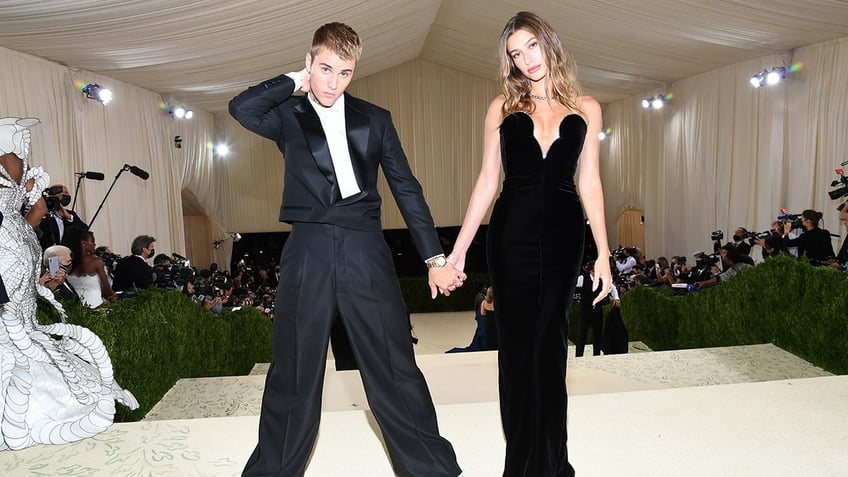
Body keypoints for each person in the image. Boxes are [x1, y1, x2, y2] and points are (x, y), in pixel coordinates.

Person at [229, 22, 464, 476]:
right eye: (325, 69)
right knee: (294, 370)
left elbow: (406, 188)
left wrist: (435, 257)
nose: (334, 82)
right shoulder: (287, 116)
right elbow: (241, 107)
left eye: (345, 73)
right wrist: (296, 82)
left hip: (365, 248)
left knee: (394, 365)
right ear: (309, 62)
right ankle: (274, 469)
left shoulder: (375, 118)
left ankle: (430, 467)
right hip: (308, 248)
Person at [446, 12, 612, 476]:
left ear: (550, 44)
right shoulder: (501, 107)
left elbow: (591, 184)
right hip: (511, 234)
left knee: (551, 344)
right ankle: (520, 463)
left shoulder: (587, 107)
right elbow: (486, 181)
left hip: (564, 236)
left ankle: (553, 463)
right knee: (517, 348)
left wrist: (603, 253)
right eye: (515, 54)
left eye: (531, 47)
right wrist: (459, 250)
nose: (526, 60)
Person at [0, 117, 138, 450]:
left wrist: (42, 284)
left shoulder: (15, 224)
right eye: (16, 161)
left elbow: (14, 277)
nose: (26, 171)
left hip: (25, 338)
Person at [574, 261, 621, 357]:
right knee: (582, 335)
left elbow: (612, 288)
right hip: (585, 311)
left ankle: (596, 355)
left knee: (597, 335)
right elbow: (572, 286)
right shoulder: (582, 278)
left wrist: (616, 298)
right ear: (591, 271)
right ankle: (579, 356)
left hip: (597, 310)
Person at [65, 229, 117, 308]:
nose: (94, 244)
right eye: (92, 241)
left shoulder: (68, 262)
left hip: (77, 307)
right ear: (83, 243)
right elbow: (106, 288)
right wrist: (114, 299)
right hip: (96, 305)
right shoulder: (96, 261)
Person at [36, 183, 88, 251]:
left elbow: (85, 230)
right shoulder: (43, 214)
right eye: (65, 192)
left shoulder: (70, 215)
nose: (67, 195)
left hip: (67, 256)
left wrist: (69, 217)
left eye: (68, 193)